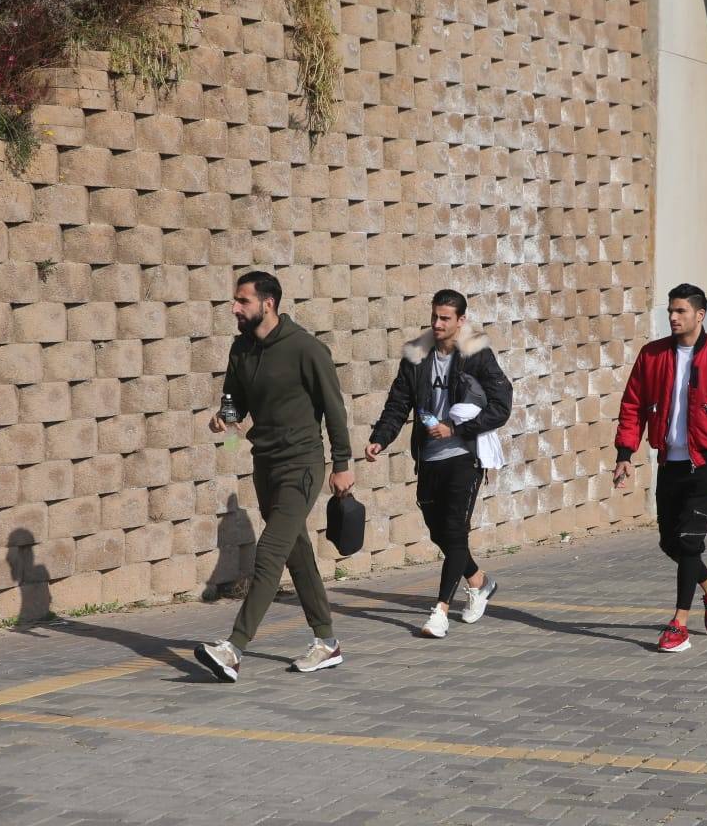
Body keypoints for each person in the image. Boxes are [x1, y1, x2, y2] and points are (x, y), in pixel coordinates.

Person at [194, 271, 355, 682]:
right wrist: (225, 431)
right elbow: (233, 407)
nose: (234, 308)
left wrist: (342, 465)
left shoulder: (305, 348)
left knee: (268, 554)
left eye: (242, 301)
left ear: (267, 303)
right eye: (235, 300)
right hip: (264, 465)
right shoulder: (241, 350)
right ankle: (327, 643)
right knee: (296, 552)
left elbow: (335, 410)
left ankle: (233, 649)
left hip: (301, 466)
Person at [612, 283, 707, 653]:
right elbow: (632, 405)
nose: (673, 317)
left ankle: (678, 624)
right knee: (670, 542)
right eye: (670, 311)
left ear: (699, 315)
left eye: (680, 312)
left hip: (706, 462)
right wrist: (625, 454)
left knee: (690, 541)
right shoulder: (653, 355)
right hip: (670, 462)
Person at [365, 289, 513, 638]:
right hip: (429, 457)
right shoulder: (416, 355)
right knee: (439, 531)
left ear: (461, 320)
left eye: (446, 318)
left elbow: (501, 405)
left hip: (465, 454)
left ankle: (440, 611)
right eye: (435, 316)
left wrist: (457, 427)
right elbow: (398, 402)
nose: (437, 324)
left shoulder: (477, 355)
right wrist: (380, 438)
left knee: (454, 529)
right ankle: (479, 582)